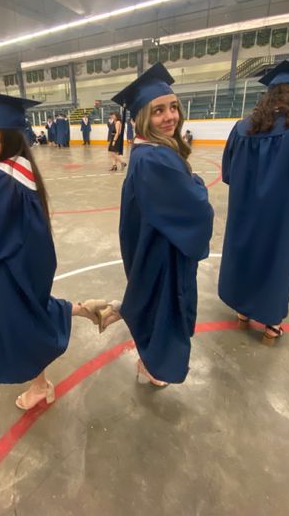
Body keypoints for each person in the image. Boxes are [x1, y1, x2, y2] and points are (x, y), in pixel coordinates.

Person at [0, 90, 113, 410]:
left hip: (6, 268)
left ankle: (40, 384)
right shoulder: (21, 165)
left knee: (20, 327)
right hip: (25, 263)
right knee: (30, 314)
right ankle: (82, 310)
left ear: (10, 139)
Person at [97, 63, 214, 386]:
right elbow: (198, 211)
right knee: (164, 308)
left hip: (153, 242)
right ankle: (153, 365)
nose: (170, 116)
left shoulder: (149, 151)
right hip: (163, 250)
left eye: (173, 107)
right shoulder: (156, 158)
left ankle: (149, 358)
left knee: (152, 303)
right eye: (159, 110)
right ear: (141, 118)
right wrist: (199, 185)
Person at [218, 61, 289, 344]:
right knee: (276, 262)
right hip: (282, 212)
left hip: (244, 209)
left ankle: (242, 312)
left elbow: (229, 174)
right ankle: (271, 324)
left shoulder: (243, 127)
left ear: (268, 95)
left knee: (246, 255)